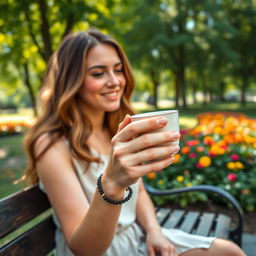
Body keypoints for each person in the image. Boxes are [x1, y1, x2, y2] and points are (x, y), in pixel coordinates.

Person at [24, 28, 245, 256]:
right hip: (101, 250)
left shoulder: (115, 128)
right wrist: (111, 185)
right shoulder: (52, 145)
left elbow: (138, 190)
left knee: (229, 252)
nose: (114, 81)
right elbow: (86, 248)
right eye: (98, 73)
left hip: (136, 236)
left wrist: (154, 229)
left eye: (118, 70)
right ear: (71, 81)